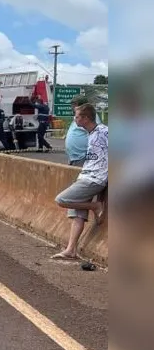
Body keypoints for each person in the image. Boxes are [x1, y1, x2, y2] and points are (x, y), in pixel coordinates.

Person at [52, 103, 108, 260]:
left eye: (77, 117)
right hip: (86, 176)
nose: (74, 119)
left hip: (95, 179)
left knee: (61, 200)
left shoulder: (104, 131)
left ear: (85, 118)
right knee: (77, 215)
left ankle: (96, 206)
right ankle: (71, 249)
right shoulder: (90, 133)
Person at [65, 96, 102, 166]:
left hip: (83, 158)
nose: (71, 107)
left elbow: (97, 135)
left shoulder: (89, 117)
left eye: (73, 105)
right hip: (76, 158)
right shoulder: (79, 115)